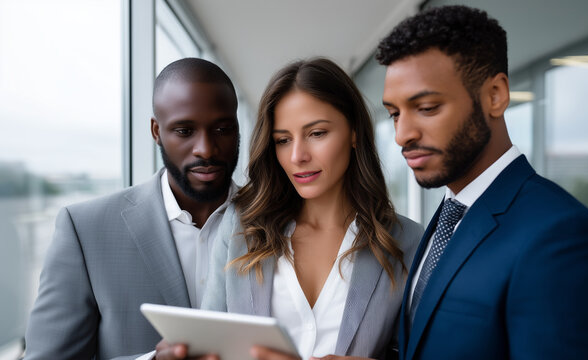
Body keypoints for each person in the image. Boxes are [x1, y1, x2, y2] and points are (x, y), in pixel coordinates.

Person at [375, 5, 588, 360]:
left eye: (427, 107)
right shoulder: (450, 217)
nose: (402, 134)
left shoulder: (566, 242)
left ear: (495, 95)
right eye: (394, 114)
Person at [156, 58, 424, 360]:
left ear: (353, 132)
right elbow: (210, 341)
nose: (297, 156)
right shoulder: (240, 227)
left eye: (317, 133)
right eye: (283, 140)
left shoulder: (408, 242)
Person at [24, 57, 241, 360]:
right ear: (156, 131)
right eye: (184, 130)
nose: (205, 148)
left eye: (221, 129)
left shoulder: (281, 221)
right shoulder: (86, 230)